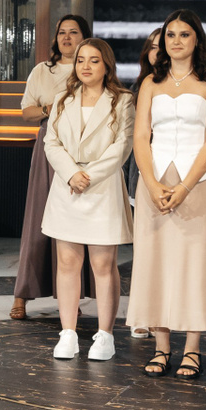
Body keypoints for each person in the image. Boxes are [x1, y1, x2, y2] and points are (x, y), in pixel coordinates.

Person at [128, 12, 206, 379]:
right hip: (154, 182)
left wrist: (184, 187)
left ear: (197, 39)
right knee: (155, 263)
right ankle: (161, 347)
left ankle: (192, 349)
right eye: (170, 34)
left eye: (184, 34)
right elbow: (141, 136)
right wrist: (152, 184)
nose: (176, 41)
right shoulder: (151, 83)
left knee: (196, 265)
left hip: (198, 183)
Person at [41, 37, 135, 362]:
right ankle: (68, 333)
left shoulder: (122, 100)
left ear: (106, 65)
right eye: (81, 59)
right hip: (67, 186)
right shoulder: (63, 98)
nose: (86, 66)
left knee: (103, 265)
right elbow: (51, 142)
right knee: (67, 263)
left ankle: (105, 335)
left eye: (94, 60)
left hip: (102, 187)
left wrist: (88, 176)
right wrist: (71, 173)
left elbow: (122, 146)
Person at [10, 14, 92, 320]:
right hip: (49, 146)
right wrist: (51, 107)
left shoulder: (90, 69)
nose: (66, 37)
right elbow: (27, 112)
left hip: (82, 147)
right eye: (62, 33)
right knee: (38, 218)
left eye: (73, 32)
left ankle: (70, 298)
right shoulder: (42, 71)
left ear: (85, 36)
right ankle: (21, 294)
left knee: (74, 223)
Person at [126, 28, 163, 342]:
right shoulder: (139, 87)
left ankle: (167, 313)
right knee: (145, 250)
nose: (158, 52)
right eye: (153, 47)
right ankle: (143, 315)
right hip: (142, 172)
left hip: (183, 174)